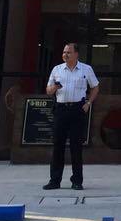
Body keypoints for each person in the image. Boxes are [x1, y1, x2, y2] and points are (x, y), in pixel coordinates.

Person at [43, 42, 100, 191]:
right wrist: (55, 87)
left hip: (77, 109)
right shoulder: (57, 69)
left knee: (76, 146)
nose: (65, 55)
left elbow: (95, 87)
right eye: (64, 52)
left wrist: (88, 103)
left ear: (76, 54)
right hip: (61, 109)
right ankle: (55, 180)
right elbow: (48, 91)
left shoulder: (86, 69)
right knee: (58, 145)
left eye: (68, 52)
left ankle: (77, 181)